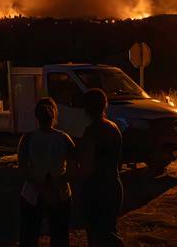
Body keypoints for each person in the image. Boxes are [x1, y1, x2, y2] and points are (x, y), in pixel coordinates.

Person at [18, 97, 76, 247]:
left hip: (32, 194)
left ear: (36, 117)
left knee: (29, 236)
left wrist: (42, 186)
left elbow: (24, 171)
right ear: (54, 115)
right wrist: (54, 186)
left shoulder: (27, 138)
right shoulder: (65, 139)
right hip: (61, 194)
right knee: (60, 237)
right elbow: (72, 171)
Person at [76, 88, 124, 247]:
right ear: (105, 105)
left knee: (97, 236)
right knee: (109, 229)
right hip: (114, 186)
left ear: (87, 108)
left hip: (96, 190)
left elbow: (88, 167)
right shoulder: (113, 128)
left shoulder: (91, 132)